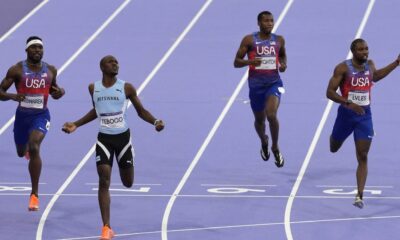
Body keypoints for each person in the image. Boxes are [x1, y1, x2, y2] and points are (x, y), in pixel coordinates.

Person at [62, 55, 164, 240]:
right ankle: (106, 227)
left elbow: (141, 111)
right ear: (102, 67)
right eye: (111, 62)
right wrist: (76, 124)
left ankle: (128, 161)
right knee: (104, 180)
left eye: (117, 62)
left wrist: (155, 121)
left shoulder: (126, 88)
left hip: (123, 140)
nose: (115, 64)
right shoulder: (93, 88)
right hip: (104, 140)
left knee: (128, 183)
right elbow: (97, 110)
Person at [326, 38, 400, 208]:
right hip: (346, 115)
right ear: (353, 51)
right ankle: (335, 138)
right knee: (334, 147)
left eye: (366, 49)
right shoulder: (343, 68)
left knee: (363, 156)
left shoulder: (370, 65)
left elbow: (376, 76)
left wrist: (396, 63)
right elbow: (329, 92)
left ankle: (359, 195)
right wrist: (348, 103)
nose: (365, 52)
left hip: (365, 116)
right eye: (361, 49)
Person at [0, 36, 65, 211]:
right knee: (21, 152)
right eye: (34, 47)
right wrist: (13, 96)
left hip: (41, 115)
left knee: (35, 146)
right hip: (22, 117)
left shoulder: (51, 70)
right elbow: (0, 92)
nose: (37, 50)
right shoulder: (16, 70)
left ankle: (34, 194)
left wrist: (61, 92)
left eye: (40, 48)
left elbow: (54, 90)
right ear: (27, 50)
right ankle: (26, 149)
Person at [234, 11, 287, 167]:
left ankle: (275, 146)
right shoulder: (249, 40)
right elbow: (236, 62)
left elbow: (283, 56)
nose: (269, 23)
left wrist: (283, 65)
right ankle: (264, 140)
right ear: (259, 23)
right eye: (266, 21)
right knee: (259, 120)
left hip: (274, 84)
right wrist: (250, 62)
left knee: (271, 115)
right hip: (256, 86)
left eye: (271, 20)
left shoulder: (279, 40)